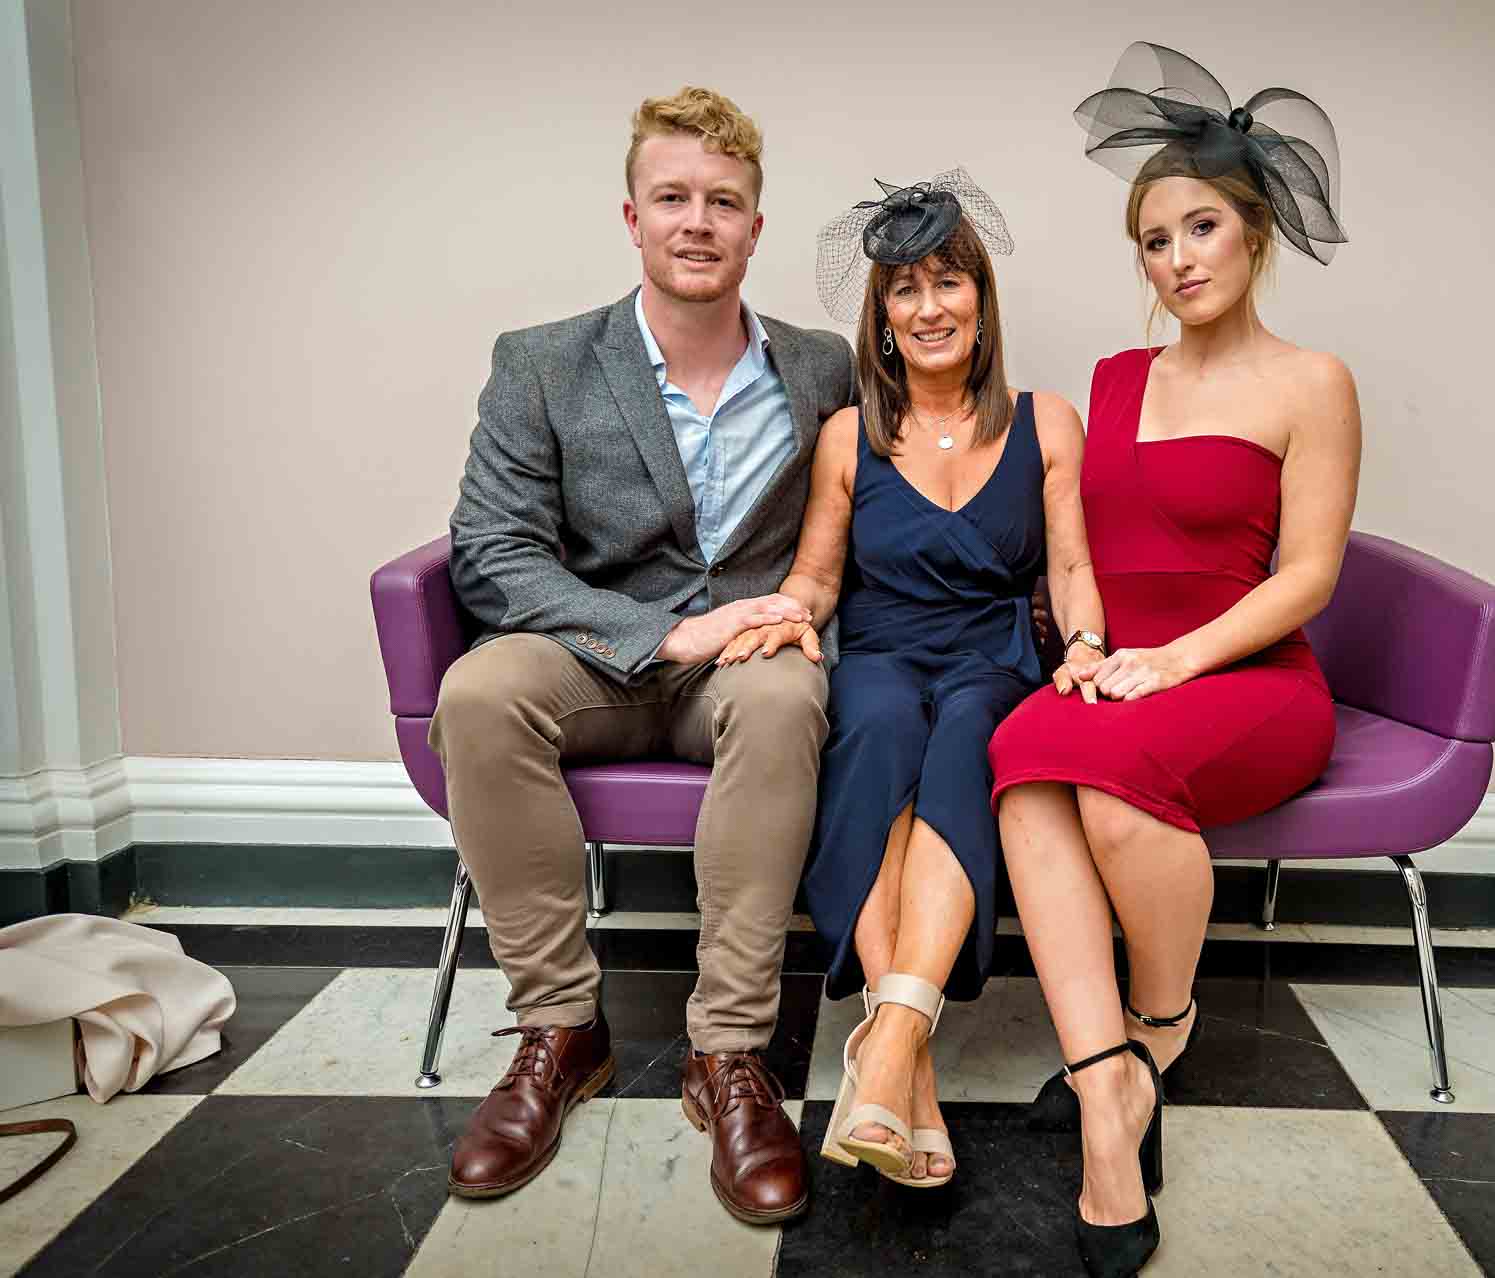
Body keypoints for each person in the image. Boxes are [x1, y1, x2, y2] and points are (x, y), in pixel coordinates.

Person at [430, 86, 854, 1224]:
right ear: (632, 217)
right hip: (597, 661)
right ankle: (561, 1030)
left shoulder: (825, 371)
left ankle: (728, 1057)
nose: (698, 221)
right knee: (478, 691)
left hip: (748, 669)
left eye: (724, 201)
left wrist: (785, 619)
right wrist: (664, 633)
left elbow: (871, 522)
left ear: (757, 227)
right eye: (673, 197)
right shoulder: (543, 362)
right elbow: (491, 553)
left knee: (781, 698)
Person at [987, 44, 1361, 1276]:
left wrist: (1172, 662)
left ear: (1254, 235)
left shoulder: (1314, 382)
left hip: (1248, 681)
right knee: (1023, 753)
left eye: (1202, 226)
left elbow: (1309, 576)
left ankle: (1162, 1024)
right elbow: (1079, 543)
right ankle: (1110, 1096)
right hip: (1124, 673)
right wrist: (1093, 646)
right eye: (1155, 239)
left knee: (1099, 779)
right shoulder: (1115, 378)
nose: (1179, 257)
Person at [715, 170, 1103, 1188]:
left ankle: (883, 1046)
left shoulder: (1049, 421)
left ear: (981, 298)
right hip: (882, 655)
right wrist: (781, 617)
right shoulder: (849, 436)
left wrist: (1089, 646)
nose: (929, 307)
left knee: (971, 734)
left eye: (949, 282)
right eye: (904, 290)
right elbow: (817, 575)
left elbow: (1068, 568)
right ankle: (906, 1071)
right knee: (879, 728)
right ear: (881, 319)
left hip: (995, 658)